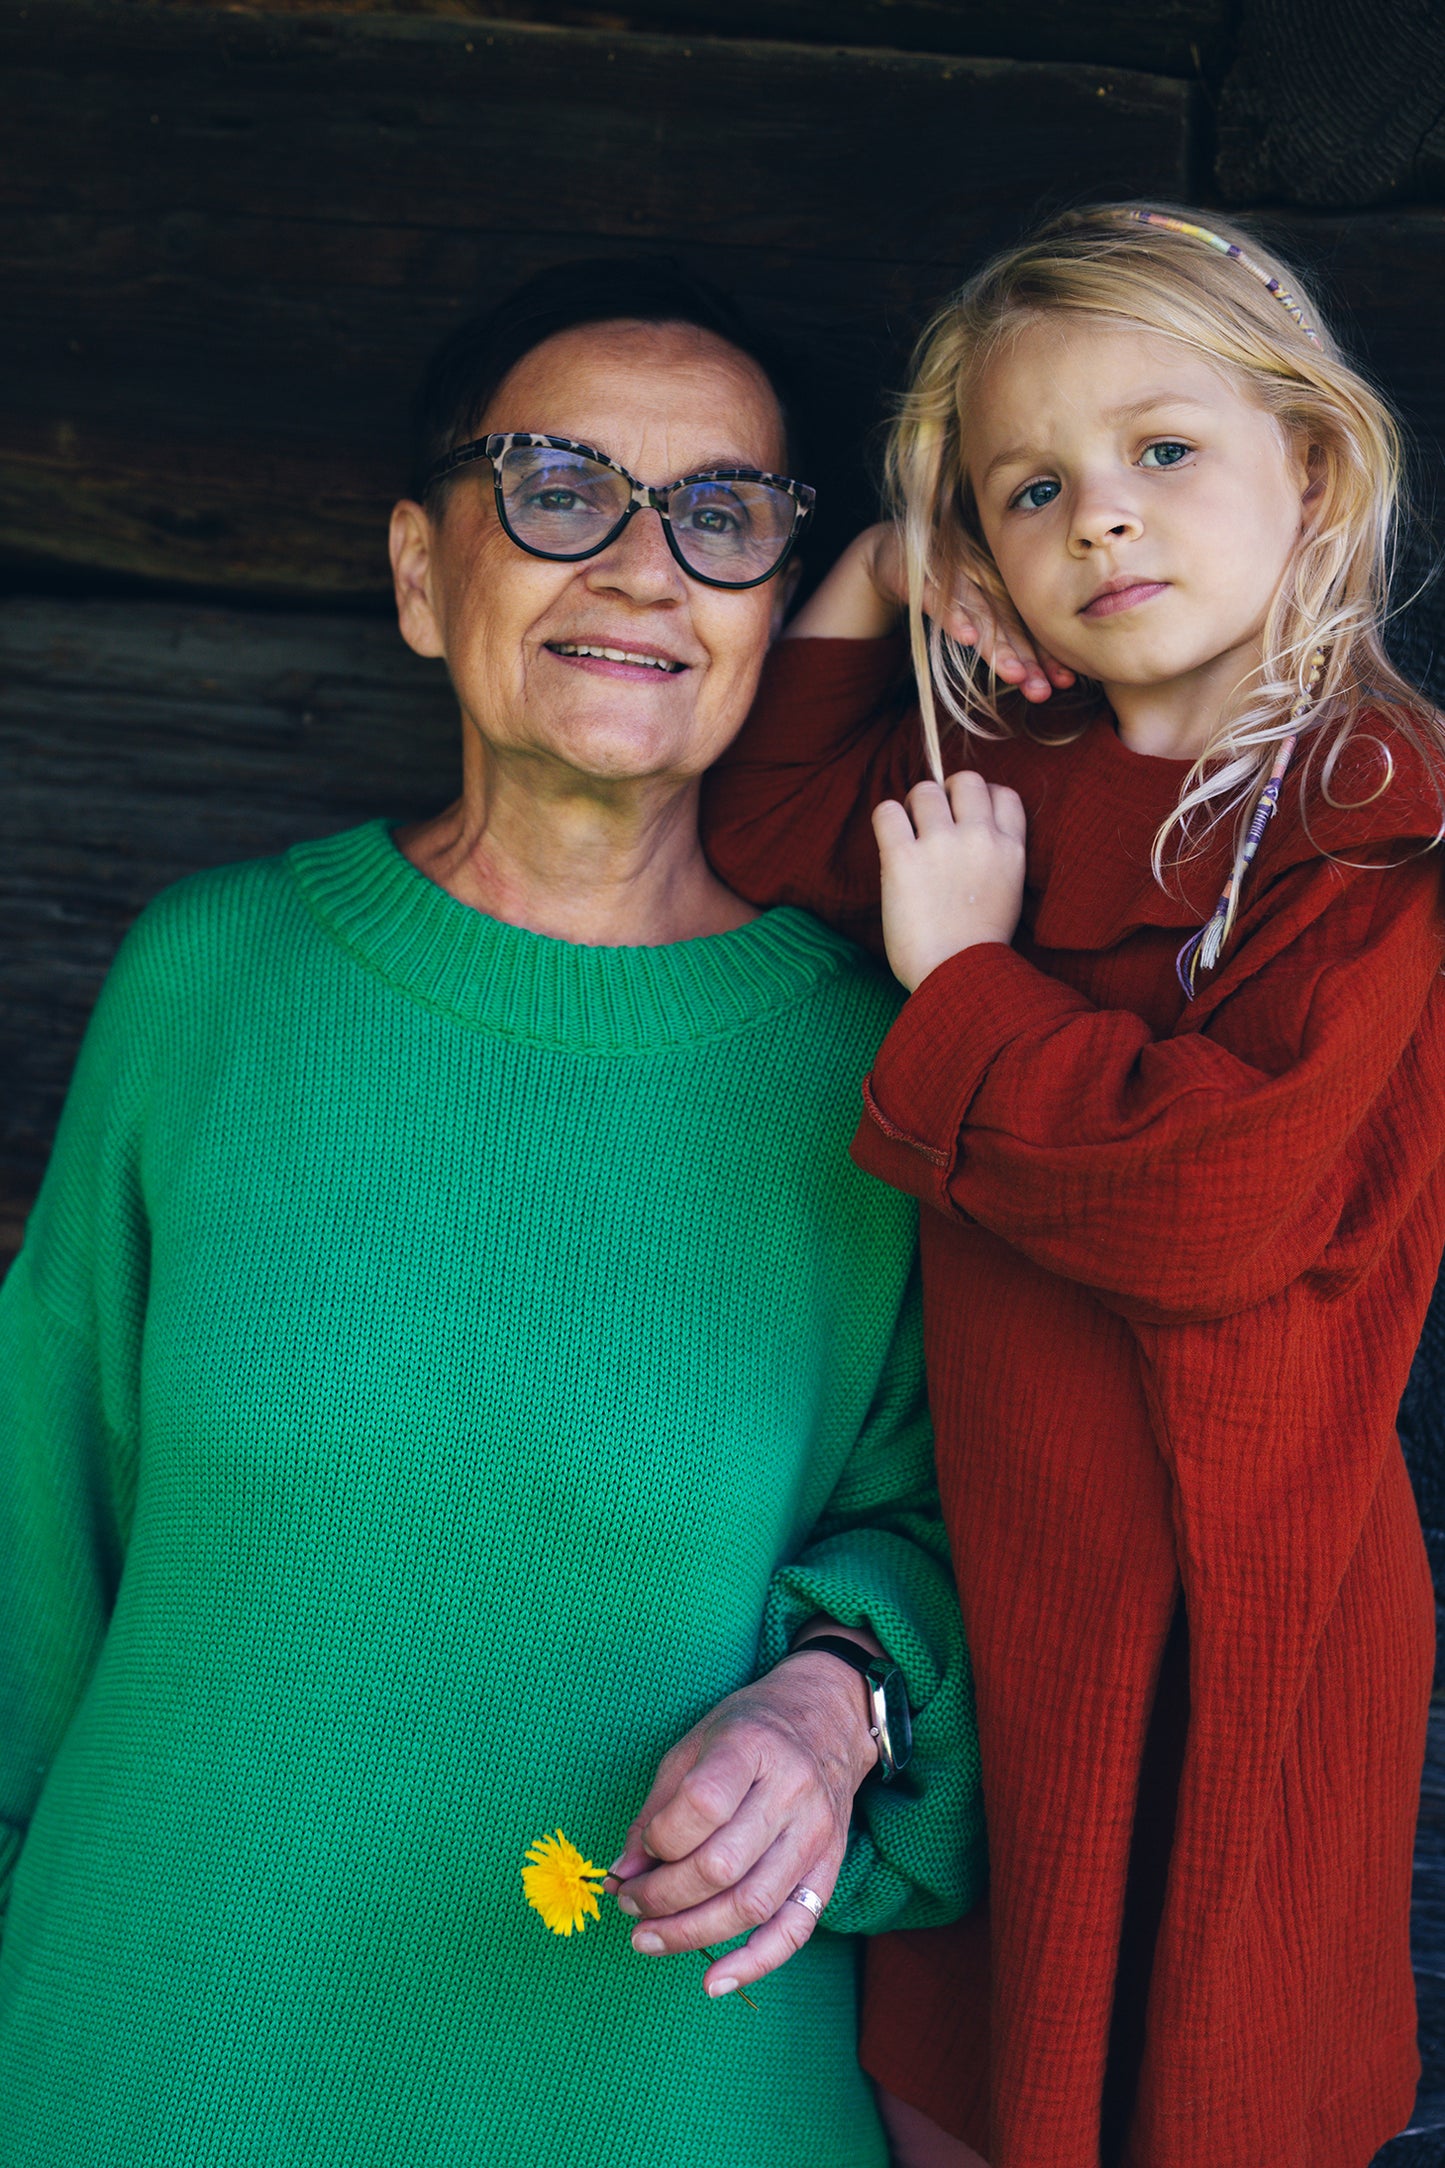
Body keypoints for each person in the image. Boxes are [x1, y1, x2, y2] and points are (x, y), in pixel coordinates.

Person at [0, 262, 985, 2168]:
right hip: (144, 2045)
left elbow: (975, 1526)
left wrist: (830, 1699)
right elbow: (31, 1535)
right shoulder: (215, 980)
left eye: (719, 519)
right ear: (419, 570)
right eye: (555, 488)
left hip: (661, 2082)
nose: (637, 567)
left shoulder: (886, 1064)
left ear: (778, 610)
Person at [700, 203, 1445, 2166]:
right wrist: (885, 560)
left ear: (1318, 463)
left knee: (1210, 2072)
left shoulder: (1378, 818)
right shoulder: (1020, 802)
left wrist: (968, 980)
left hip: (1249, 1603)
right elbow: (773, 813)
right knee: (981, 2075)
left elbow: (1210, 1212)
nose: (1103, 518)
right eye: (1034, 489)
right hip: (1024, 1584)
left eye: (1164, 451)